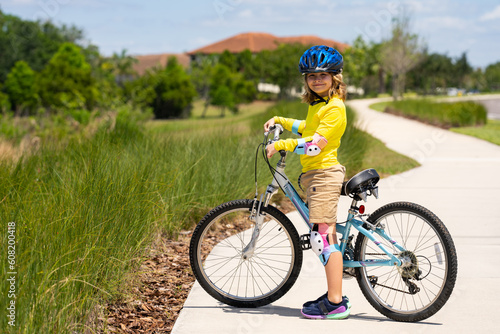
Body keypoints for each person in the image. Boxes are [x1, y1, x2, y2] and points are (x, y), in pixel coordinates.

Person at [263, 45, 350, 319]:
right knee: (323, 235)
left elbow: (314, 145)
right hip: (315, 176)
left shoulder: (335, 108)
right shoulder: (319, 106)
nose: (317, 79)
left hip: (324, 174)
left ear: (335, 77)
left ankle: (336, 303)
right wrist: (280, 120)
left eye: (323, 75)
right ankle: (334, 293)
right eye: (311, 76)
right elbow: (307, 128)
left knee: (323, 237)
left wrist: (283, 144)